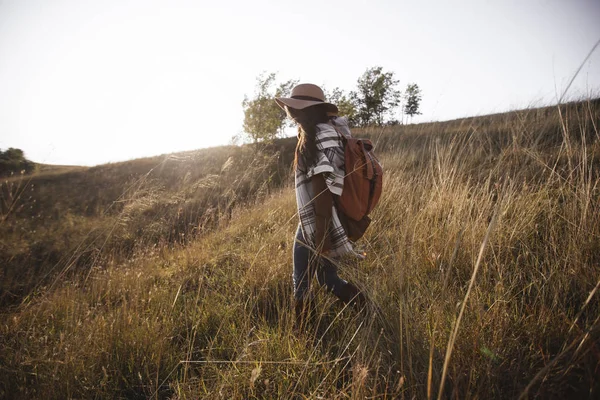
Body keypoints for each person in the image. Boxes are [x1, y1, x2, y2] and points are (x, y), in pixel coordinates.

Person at [275, 83, 366, 329]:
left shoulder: (316, 137)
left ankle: (304, 333)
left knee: (301, 281)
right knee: (327, 279)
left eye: (293, 107)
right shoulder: (330, 130)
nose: (289, 111)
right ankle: (368, 311)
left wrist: (322, 236)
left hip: (317, 221)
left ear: (303, 110)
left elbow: (322, 189)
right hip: (330, 217)